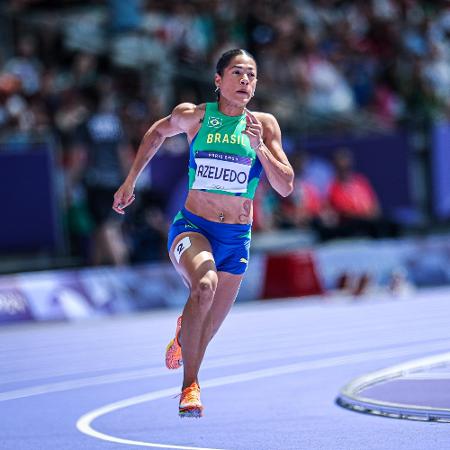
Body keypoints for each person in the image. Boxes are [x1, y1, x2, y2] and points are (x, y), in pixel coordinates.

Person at [112, 49, 294, 418]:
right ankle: (190, 388)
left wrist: (259, 146)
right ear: (218, 80)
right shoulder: (194, 116)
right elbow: (156, 133)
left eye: (252, 75)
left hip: (236, 238)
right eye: (238, 73)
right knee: (205, 285)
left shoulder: (265, 125)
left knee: (205, 328)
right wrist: (131, 179)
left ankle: (184, 334)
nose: (246, 81)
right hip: (193, 227)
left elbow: (286, 185)